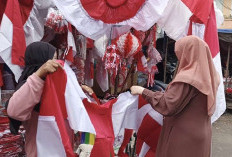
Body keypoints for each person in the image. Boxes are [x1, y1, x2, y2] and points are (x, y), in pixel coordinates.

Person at [130, 35, 220, 157]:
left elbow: (167, 104)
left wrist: (143, 91)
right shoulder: (209, 76)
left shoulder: (187, 78)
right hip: (201, 132)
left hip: (183, 136)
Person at [7, 42, 63, 157]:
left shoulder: (55, 86)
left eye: (57, 59)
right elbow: (14, 111)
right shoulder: (30, 86)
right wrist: (39, 75)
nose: (56, 64)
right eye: (52, 59)